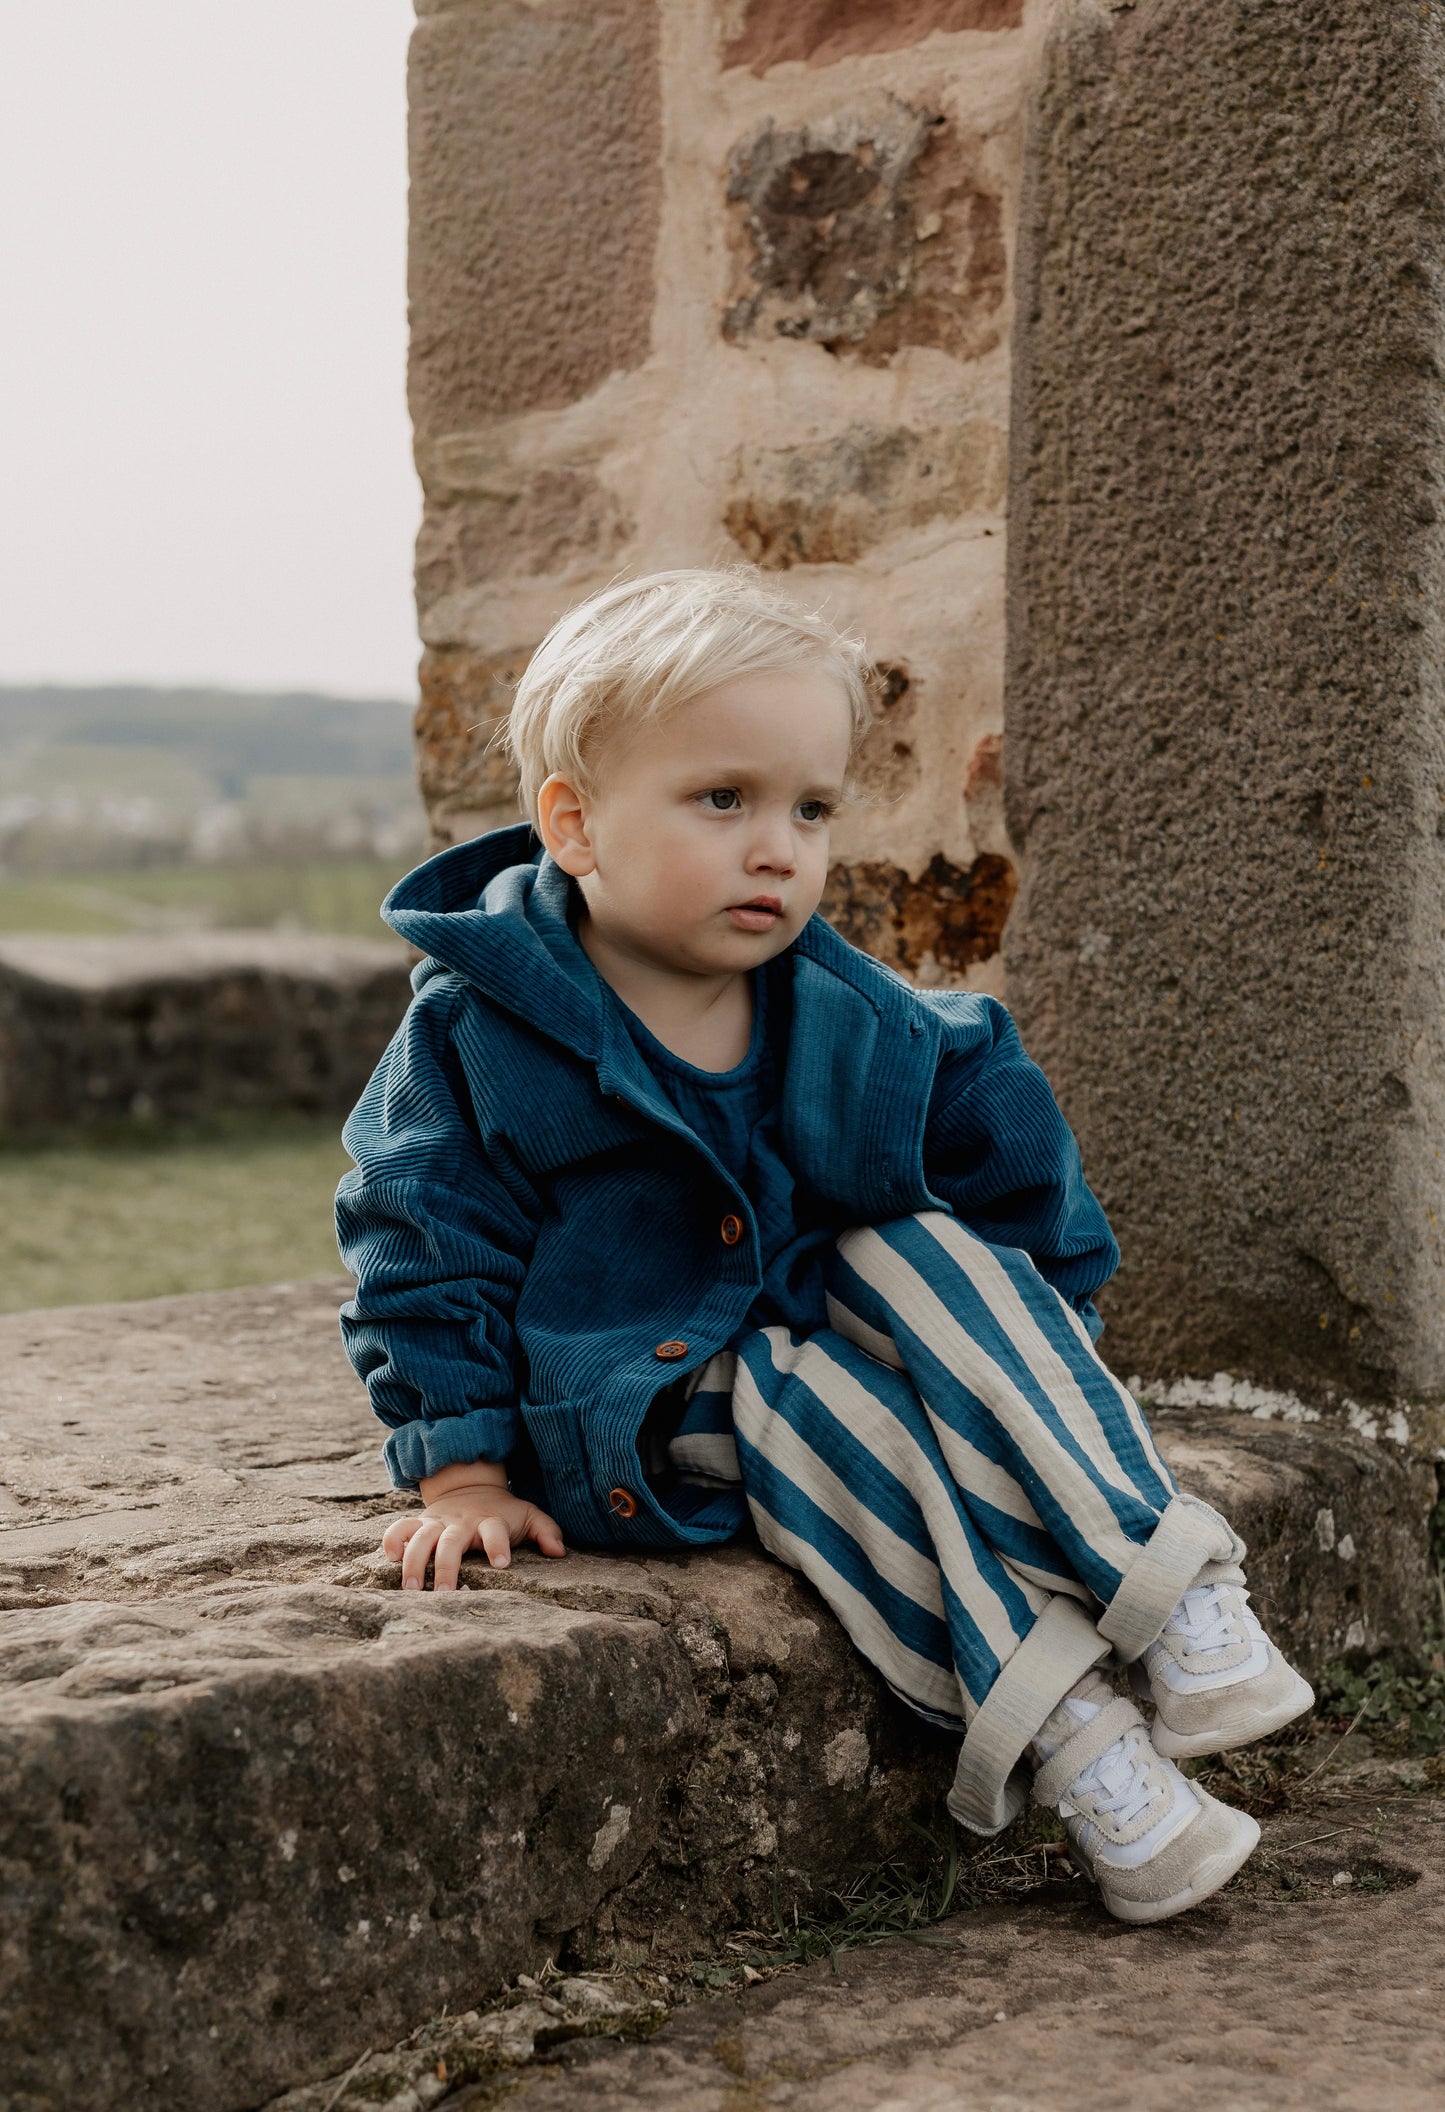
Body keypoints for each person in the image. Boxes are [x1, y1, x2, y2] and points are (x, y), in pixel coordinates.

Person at [336, 567, 1313, 1926]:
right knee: (824, 1412)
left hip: (820, 1309)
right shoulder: (478, 1034)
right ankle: (1081, 1744)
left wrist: (1041, 1346)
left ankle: (1169, 1581)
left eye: (809, 809)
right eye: (721, 800)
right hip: (644, 1394)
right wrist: (461, 1474)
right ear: (573, 823)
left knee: (914, 1242)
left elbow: (1002, 1142)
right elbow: (417, 1240)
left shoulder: (848, 1009)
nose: (776, 848)